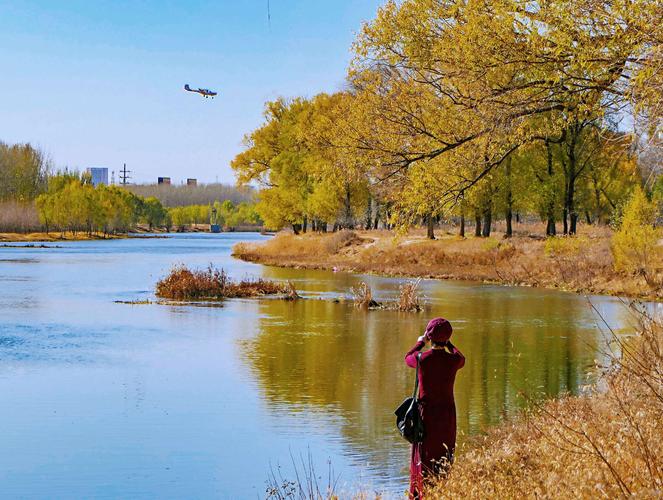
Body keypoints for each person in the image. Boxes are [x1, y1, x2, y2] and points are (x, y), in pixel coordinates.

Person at [405, 317, 465, 498]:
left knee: (423, 455)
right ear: (447, 338)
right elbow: (461, 357)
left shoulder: (422, 358)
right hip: (447, 415)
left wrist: (419, 343)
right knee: (444, 452)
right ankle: (442, 491)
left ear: (429, 337)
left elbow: (407, 358)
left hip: (426, 414)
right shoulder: (453, 361)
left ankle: (420, 494)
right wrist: (449, 344)